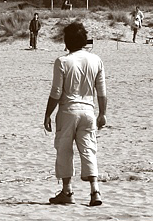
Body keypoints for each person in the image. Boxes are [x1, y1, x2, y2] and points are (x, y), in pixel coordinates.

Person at [44, 22, 107, 207]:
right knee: (89, 150)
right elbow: (102, 91)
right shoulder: (96, 60)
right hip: (88, 110)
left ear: (67, 41)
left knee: (64, 150)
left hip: (68, 110)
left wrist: (47, 114)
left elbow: (56, 92)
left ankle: (67, 190)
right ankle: (95, 191)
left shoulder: (62, 62)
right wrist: (103, 113)